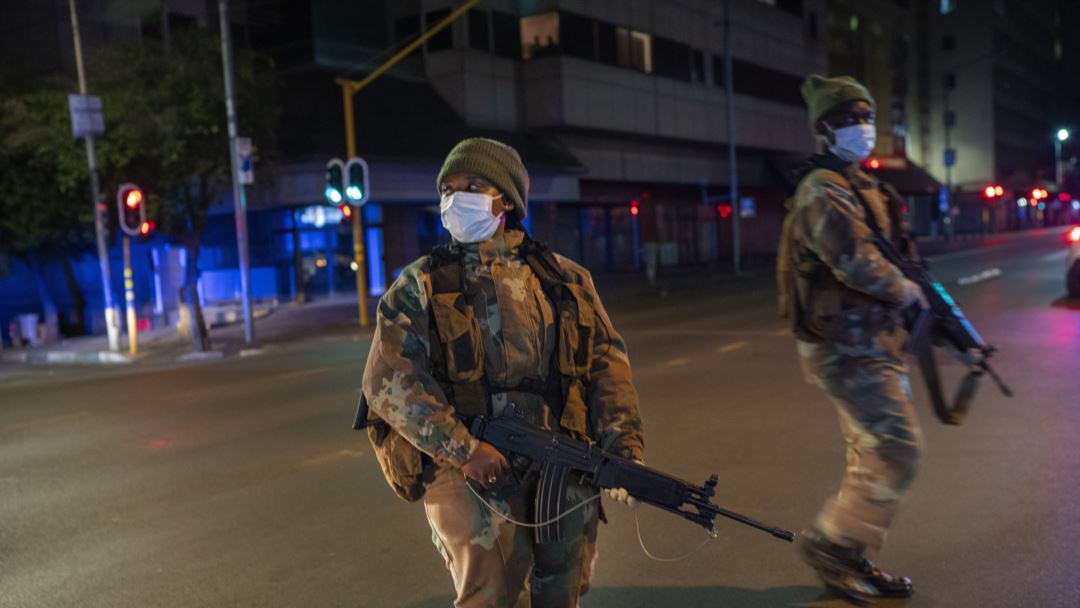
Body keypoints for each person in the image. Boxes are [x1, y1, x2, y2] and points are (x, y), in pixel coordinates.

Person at [361, 137, 645, 608]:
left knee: (564, 591)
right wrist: (463, 448)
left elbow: (605, 366)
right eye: (448, 189)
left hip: (561, 461)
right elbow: (390, 380)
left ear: (507, 200)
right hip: (468, 468)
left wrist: (624, 451)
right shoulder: (420, 283)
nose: (456, 199)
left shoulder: (565, 279)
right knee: (490, 595)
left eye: (473, 185)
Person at [777, 75, 929, 604]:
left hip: (870, 344)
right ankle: (832, 544)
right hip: (844, 347)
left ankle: (852, 555)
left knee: (873, 454)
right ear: (824, 130)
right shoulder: (823, 190)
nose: (862, 128)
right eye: (848, 120)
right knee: (897, 449)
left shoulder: (858, 184)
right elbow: (854, 262)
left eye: (866, 118)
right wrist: (906, 290)